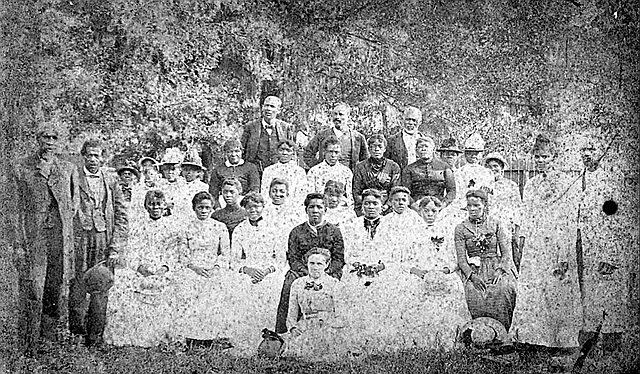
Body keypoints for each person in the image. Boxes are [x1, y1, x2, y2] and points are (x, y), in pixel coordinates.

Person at [510, 134, 582, 352]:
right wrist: (521, 239)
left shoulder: (566, 184)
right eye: (538, 157)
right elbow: (527, 214)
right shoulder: (531, 184)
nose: (541, 160)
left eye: (546, 157)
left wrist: (563, 252)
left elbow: (567, 219)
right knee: (533, 290)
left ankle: (560, 342)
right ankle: (533, 339)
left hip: (556, 242)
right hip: (535, 243)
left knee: (556, 290)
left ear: (554, 157)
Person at [12, 122, 79, 354]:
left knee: (54, 286)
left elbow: (74, 204)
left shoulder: (69, 168)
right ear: (38, 139)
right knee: (32, 287)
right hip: (34, 238)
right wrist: (19, 244)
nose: (50, 142)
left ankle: (48, 339)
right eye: (45, 137)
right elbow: (16, 210)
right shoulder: (23, 169)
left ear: (59, 142)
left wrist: (65, 230)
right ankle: (27, 342)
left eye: (54, 138)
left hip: (59, 239)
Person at [571, 134, 634, 348]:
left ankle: (611, 346)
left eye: (591, 149)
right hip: (586, 246)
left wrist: (611, 256)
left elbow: (617, 220)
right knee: (591, 297)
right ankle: (590, 343)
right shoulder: (580, 179)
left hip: (606, 247)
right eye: (583, 150)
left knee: (610, 295)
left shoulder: (611, 180)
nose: (587, 154)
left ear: (601, 151)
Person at [104, 190, 183, 347]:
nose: (155, 208)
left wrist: (165, 267)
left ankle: (162, 333)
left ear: (164, 206)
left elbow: (174, 253)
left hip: (163, 267)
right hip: (142, 266)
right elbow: (133, 250)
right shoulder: (138, 227)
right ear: (146, 206)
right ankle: (133, 335)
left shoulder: (172, 228)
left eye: (159, 204)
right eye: (151, 204)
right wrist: (139, 266)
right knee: (122, 286)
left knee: (173, 286)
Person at [69, 139, 128, 347]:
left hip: (103, 239)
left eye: (97, 155)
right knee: (77, 285)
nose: (93, 159)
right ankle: (76, 334)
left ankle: (95, 337)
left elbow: (121, 215)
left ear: (103, 158)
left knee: (101, 285)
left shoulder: (111, 180)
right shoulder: (73, 176)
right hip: (79, 238)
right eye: (90, 155)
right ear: (83, 156)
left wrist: (115, 247)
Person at [404, 196, 469, 349]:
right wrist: (415, 270)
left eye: (434, 211)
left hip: (442, 271)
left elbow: (455, 257)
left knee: (454, 284)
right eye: (426, 211)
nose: (430, 214)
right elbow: (405, 257)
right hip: (421, 272)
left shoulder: (446, 231)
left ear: (439, 211)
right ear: (420, 212)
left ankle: (450, 335)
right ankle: (422, 338)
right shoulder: (412, 231)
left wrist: (447, 269)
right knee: (413, 288)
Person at [275, 192, 345, 334]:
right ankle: (283, 332)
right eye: (311, 207)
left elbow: (339, 259)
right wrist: (308, 273)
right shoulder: (296, 232)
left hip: (328, 271)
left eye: (319, 207)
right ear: (306, 209)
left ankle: (332, 329)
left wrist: (323, 272)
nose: (315, 210)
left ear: (325, 209)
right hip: (303, 271)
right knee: (289, 283)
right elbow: (293, 259)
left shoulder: (334, 231)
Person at [230, 192, 288, 352]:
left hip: (269, 271)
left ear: (263, 207)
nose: (253, 210)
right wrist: (247, 269)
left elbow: (281, 259)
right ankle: (248, 340)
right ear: (245, 209)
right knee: (244, 290)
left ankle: (269, 343)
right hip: (249, 270)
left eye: (256, 207)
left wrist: (266, 271)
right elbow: (234, 260)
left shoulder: (274, 227)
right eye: (249, 207)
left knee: (272, 289)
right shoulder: (240, 230)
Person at [454, 189, 517, 331]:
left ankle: (502, 332)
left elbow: (507, 253)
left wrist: (500, 270)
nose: (473, 209)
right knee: (471, 290)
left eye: (477, 206)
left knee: (504, 289)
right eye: (469, 205)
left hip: (496, 266)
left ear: (485, 206)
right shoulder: (460, 228)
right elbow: (461, 259)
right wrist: (472, 276)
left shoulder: (495, 224)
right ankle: (477, 332)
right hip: (474, 269)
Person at [178, 191, 233, 348]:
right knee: (190, 286)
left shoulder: (219, 227)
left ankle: (211, 336)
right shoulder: (187, 227)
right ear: (194, 208)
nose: (203, 211)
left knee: (215, 288)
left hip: (213, 267)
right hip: (192, 267)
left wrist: (216, 267)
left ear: (212, 209)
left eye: (207, 208)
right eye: (200, 207)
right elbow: (183, 254)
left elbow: (225, 253)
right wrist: (195, 268)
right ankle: (191, 336)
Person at [285, 248, 345, 360]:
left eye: (319, 264)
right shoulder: (297, 284)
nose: (315, 267)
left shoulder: (334, 284)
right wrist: (293, 328)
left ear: (327, 265)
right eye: (311, 263)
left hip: (327, 326)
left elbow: (341, 315)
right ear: (306, 263)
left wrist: (330, 325)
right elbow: (292, 313)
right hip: (305, 326)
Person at [484, 152, 522, 270]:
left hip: (506, 226)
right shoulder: (483, 185)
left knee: (509, 257)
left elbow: (518, 208)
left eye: (496, 166)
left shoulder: (511, 185)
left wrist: (516, 228)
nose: (492, 169)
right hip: (488, 227)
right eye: (489, 167)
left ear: (502, 168)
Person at [303, 103, 368, 171]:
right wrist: (319, 169)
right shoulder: (322, 135)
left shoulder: (358, 138)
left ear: (348, 117)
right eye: (335, 114)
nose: (337, 117)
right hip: (325, 177)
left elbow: (365, 161)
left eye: (341, 114)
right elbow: (307, 154)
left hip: (348, 178)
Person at [240, 96, 295, 174]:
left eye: (272, 106)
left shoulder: (285, 128)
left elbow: (292, 151)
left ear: (278, 110)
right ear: (262, 107)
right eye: (266, 105)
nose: (268, 109)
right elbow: (242, 150)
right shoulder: (250, 127)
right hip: (255, 172)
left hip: (279, 171)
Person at [352, 134, 401, 216]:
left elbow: (395, 191)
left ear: (384, 149)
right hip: (366, 206)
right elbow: (356, 192)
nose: (376, 149)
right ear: (369, 149)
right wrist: (367, 206)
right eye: (373, 146)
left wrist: (386, 206)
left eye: (380, 146)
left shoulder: (393, 166)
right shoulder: (360, 167)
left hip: (387, 207)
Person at [401, 136, 456, 206]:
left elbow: (452, 191)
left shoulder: (444, 167)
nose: (423, 149)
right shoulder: (409, 169)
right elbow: (405, 192)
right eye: (420, 147)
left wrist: (443, 205)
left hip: (439, 205)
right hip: (417, 206)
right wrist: (415, 207)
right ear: (416, 151)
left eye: (426, 146)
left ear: (433, 149)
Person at [376, 186, 425, 263]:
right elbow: (380, 243)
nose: (401, 203)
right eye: (397, 200)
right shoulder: (385, 221)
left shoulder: (416, 219)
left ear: (408, 202)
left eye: (404, 200)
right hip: (391, 260)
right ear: (391, 202)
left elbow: (421, 241)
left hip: (412, 260)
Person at [208, 139, 260, 210]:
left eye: (237, 151)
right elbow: (213, 194)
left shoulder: (250, 167)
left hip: (245, 204)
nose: (233, 154)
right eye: (230, 152)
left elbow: (254, 189)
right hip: (224, 203)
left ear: (242, 152)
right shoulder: (218, 170)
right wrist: (218, 208)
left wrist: (244, 205)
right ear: (225, 153)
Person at [307, 136, 354, 206]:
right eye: (330, 151)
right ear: (324, 152)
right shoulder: (314, 171)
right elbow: (310, 195)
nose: (333, 155)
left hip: (341, 208)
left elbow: (350, 196)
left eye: (336, 152)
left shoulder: (346, 172)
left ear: (340, 153)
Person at [260, 139, 309, 204]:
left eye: (288, 150)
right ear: (277, 151)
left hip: (293, 207)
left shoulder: (299, 172)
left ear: (293, 153)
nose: (284, 153)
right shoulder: (268, 170)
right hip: (271, 206)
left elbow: (301, 194)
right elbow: (265, 192)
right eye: (281, 150)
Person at [455, 134, 493, 202]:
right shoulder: (459, 173)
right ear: (465, 154)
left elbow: (490, 192)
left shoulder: (487, 173)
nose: (473, 156)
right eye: (470, 153)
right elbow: (457, 193)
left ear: (481, 155)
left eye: (477, 153)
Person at [211, 178, 247, 245]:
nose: (228, 195)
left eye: (232, 192)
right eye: (225, 192)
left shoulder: (246, 215)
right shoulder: (216, 215)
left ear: (239, 192)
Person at [157, 147, 186, 215]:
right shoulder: (159, 185)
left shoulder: (184, 185)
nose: (170, 172)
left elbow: (185, 203)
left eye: (173, 169)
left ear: (179, 170)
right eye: (166, 169)